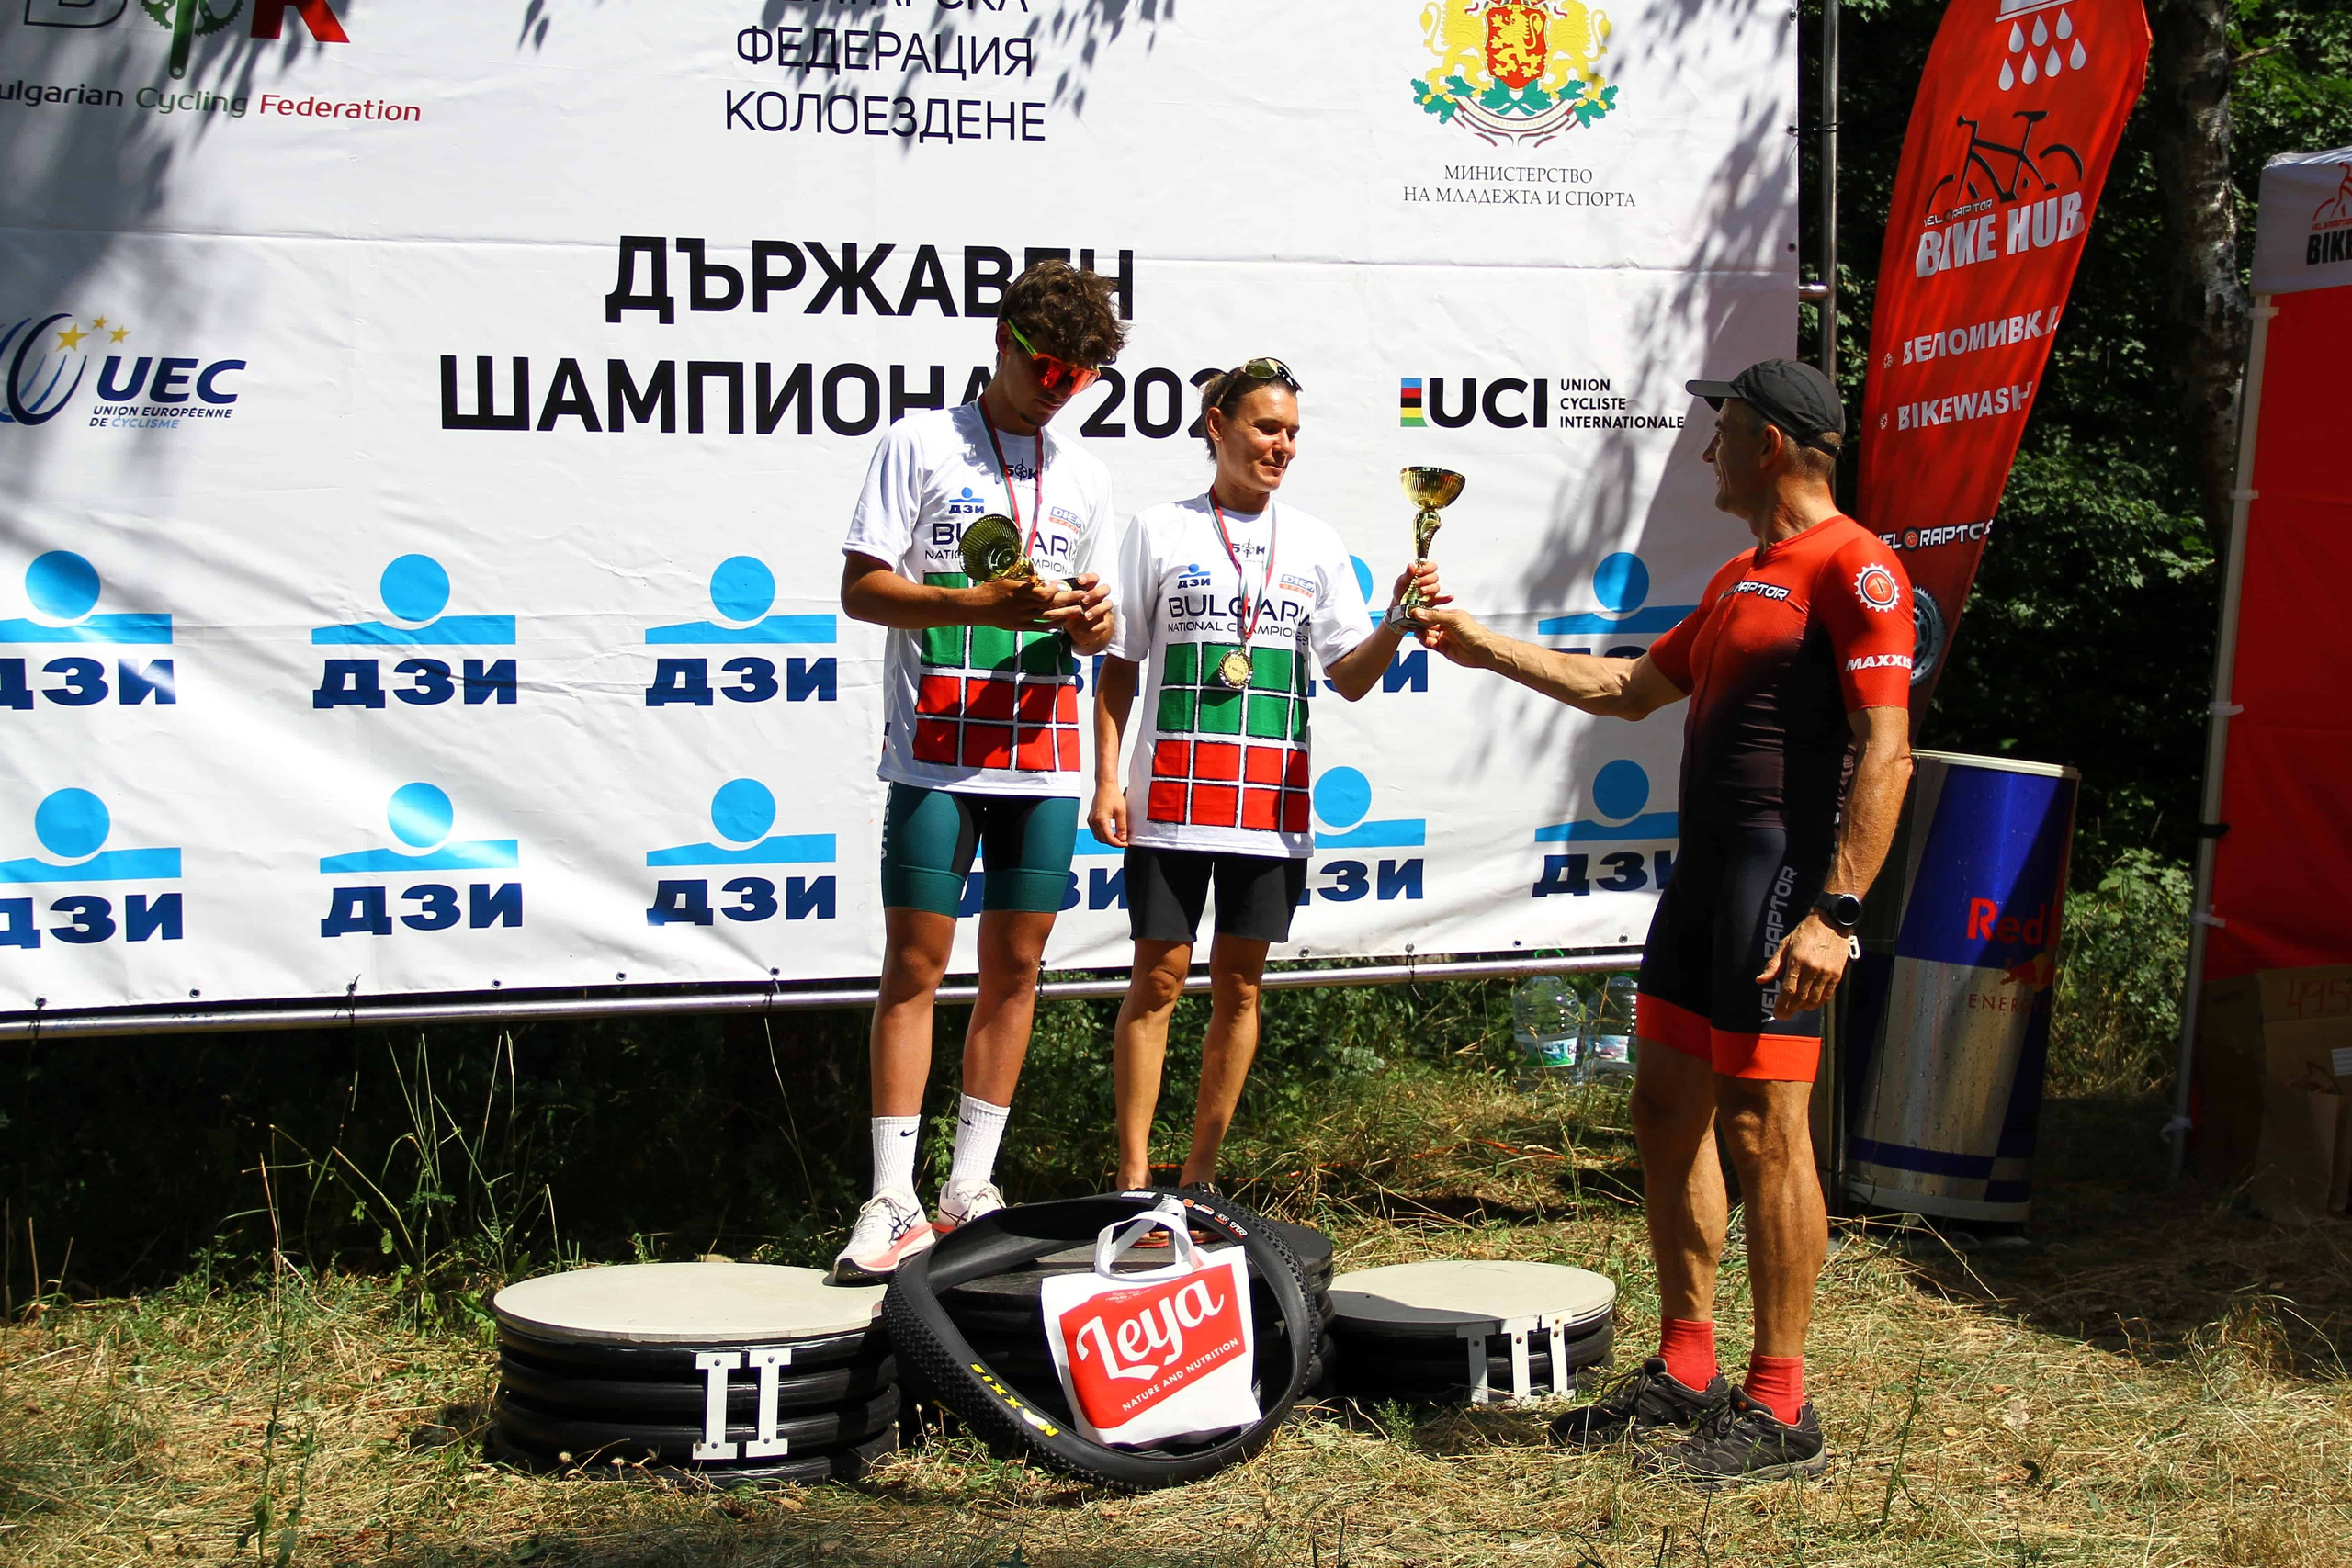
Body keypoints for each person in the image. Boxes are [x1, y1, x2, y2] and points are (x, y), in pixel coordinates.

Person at [1415, 359, 1914, 1486]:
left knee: (1762, 1134)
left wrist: (1836, 911)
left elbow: (1888, 749)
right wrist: (1479, 642)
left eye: (1722, 432)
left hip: (1782, 884)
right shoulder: (1746, 573)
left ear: (1774, 445)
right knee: (1661, 1110)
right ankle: (1687, 1367)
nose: (1705, 454)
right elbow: (1630, 690)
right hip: (1701, 886)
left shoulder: (1856, 565)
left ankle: (1780, 1406)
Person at [831, 260, 1125, 1283]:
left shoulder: (1083, 474)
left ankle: (968, 1188)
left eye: (1079, 374)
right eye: (1043, 362)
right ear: (1000, 342)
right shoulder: (918, 441)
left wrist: (1092, 621)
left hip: (1041, 760)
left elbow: (1095, 625)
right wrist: (972, 608)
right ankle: (889, 1197)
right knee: (912, 969)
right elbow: (864, 591)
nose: (1057, 385)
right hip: (938, 752)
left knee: (1018, 971)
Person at [1091, 358, 1442, 1197]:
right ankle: (1136, 1179)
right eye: (1264, 427)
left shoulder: (1315, 542)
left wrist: (1397, 618)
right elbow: (1118, 667)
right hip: (1172, 797)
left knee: (1241, 985)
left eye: (1291, 432)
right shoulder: (1158, 530)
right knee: (1160, 977)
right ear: (1218, 426)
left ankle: (1201, 1179)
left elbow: (1350, 675)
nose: (1280, 446)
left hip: (1270, 806)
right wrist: (1106, 778)